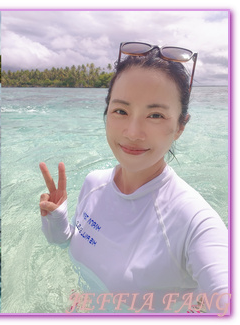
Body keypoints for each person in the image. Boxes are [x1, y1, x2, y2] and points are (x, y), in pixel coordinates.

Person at [38, 42, 228, 314]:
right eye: (121, 111)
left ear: (180, 126)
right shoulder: (94, 183)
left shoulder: (195, 222)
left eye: (155, 115)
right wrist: (57, 222)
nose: (132, 132)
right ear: (106, 114)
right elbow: (70, 242)